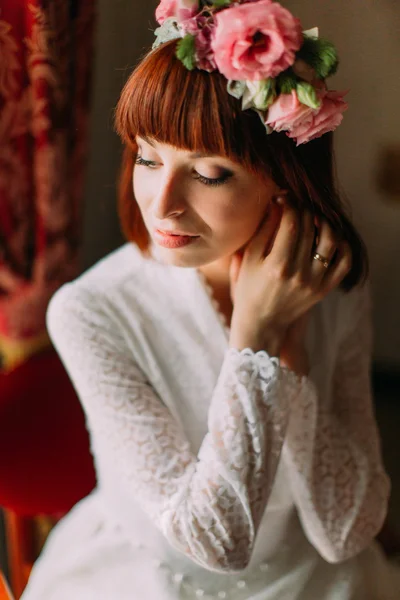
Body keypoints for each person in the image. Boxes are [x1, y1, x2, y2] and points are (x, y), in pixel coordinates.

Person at [21, 1, 400, 598]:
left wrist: (293, 360)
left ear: (283, 176)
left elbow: (347, 533)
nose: (162, 204)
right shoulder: (90, 310)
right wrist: (257, 338)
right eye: (148, 158)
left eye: (208, 173)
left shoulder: (334, 283)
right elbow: (214, 542)